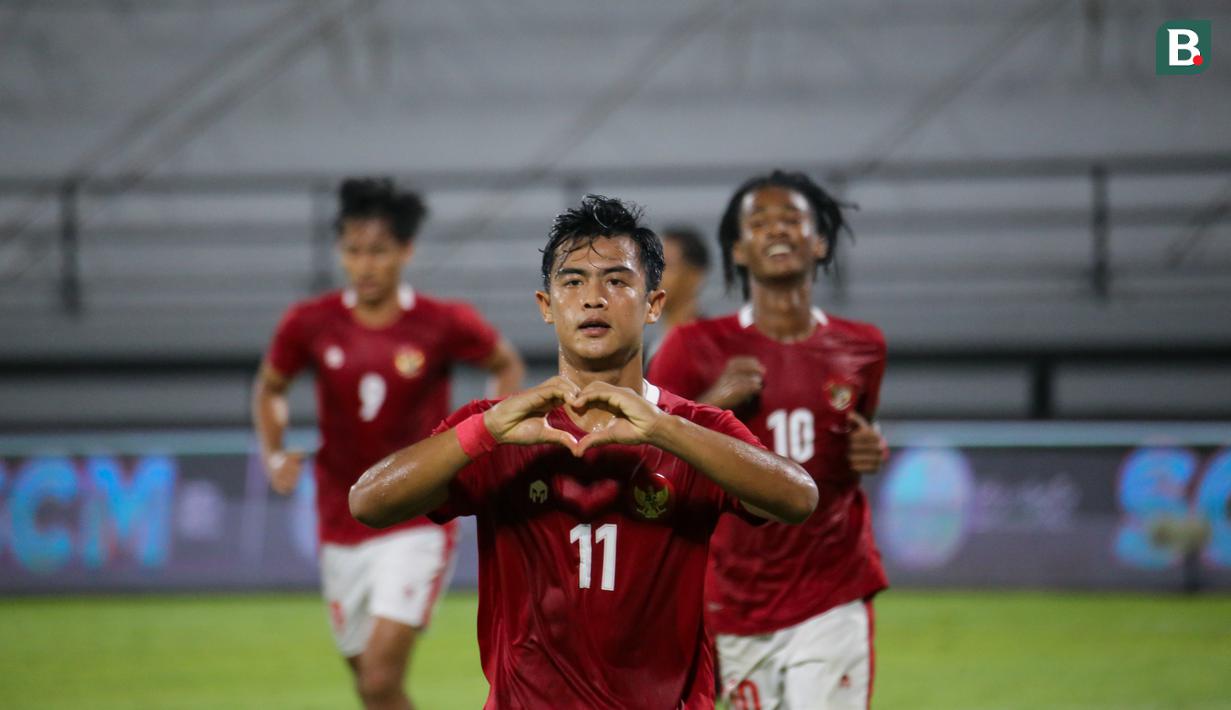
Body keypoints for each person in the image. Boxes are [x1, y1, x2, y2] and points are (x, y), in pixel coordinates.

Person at [349, 194, 819, 709]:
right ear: (547, 306)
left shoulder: (692, 429)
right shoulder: (502, 426)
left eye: (617, 281)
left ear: (653, 304)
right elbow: (368, 503)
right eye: (572, 282)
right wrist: (480, 433)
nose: (593, 297)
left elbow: (797, 498)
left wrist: (663, 430)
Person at [252, 177, 524, 710]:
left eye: (378, 251)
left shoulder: (442, 322)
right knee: (372, 686)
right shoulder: (309, 323)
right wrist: (273, 449)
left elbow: (505, 363)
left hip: (419, 512)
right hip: (339, 513)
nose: (365, 265)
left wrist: (490, 438)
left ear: (406, 251)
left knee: (377, 676)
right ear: (340, 252)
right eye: (353, 251)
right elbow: (269, 387)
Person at [648, 171, 889, 710]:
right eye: (759, 222)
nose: (777, 231)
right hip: (729, 601)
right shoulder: (692, 348)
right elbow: (649, 462)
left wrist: (872, 446)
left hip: (832, 591)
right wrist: (712, 402)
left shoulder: (863, 347)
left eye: (791, 220)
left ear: (818, 239)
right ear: (738, 249)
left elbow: (853, 438)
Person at [646, 225, 712, 363]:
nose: (653, 277)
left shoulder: (708, 349)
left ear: (695, 276)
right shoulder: (651, 347)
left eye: (664, 266)